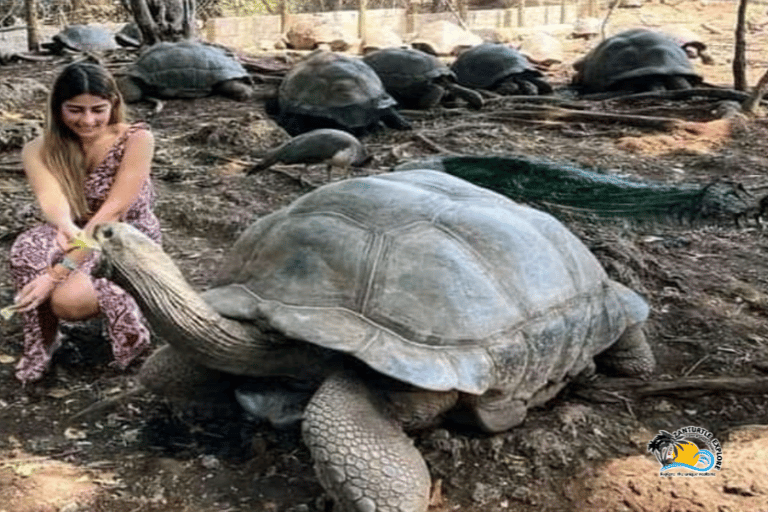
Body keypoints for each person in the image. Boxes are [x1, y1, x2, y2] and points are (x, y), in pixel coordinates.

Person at [9, 61, 161, 385]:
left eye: (98, 109)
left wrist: (56, 274)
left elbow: (113, 213)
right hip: (77, 227)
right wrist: (65, 225)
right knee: (26, 249)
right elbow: (51, 198)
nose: (87, 120)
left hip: (123, 233)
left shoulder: (137, 139)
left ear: (114, 105)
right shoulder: (38, 148)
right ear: (57, 107)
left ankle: (133, 333)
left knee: (68, 300)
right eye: (75, 110)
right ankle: (42, 342)